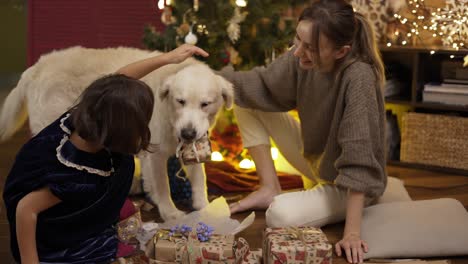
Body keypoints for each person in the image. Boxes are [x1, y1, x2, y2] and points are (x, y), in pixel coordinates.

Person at [2, 44, 208, 264]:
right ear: (121, 130)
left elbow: (121, 77)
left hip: (85, 194)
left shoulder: (94, 109)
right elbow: (25, 210)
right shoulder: (74, 176)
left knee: (125, 192)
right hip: (58, 242)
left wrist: (168, 58)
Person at [219, 0, 387, 263]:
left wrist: (352, 233)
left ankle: (295, 198)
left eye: (309, 47)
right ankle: (268, 186)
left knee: (279, 216)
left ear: (341, 52)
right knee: (240, 98)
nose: (298, 52)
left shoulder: (359, 78)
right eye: (297, 40)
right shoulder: (303, 57)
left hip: (348, 184)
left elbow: (359, 161)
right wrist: (204, 77)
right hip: (319, 163)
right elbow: (261, 84)